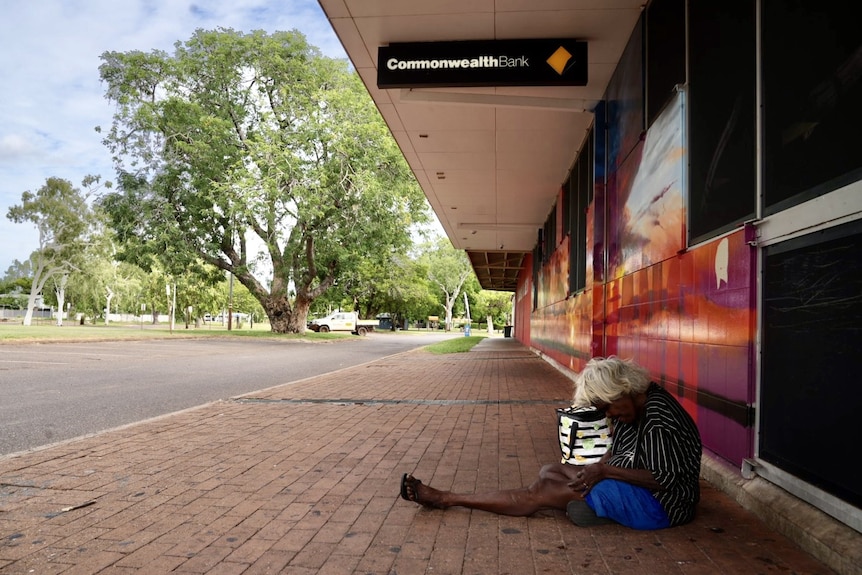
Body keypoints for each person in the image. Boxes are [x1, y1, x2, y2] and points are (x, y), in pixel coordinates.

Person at [399, 356, 702, 529]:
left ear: (622, 391)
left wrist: (604, 472)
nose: (608, 415)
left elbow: (665, 479)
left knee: (540, 492)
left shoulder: (660, 418)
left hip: (663, 506)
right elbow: (621, 451)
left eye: (608, 408)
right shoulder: (634, 405)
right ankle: (585, 504)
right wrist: (598, 467)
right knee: (550, 471)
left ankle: (446, 499)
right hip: (633, 485)